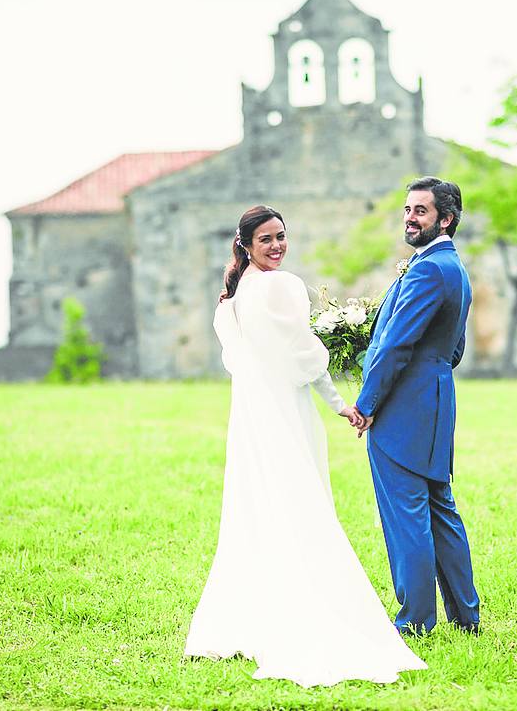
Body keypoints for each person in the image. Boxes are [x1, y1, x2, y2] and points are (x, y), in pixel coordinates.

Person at [184, 205, 427, 687]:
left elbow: (250, 359)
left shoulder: (234, 297)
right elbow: (305, 356)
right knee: (301, 504)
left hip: (253, 417)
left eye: (281, 236)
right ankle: (311, 610)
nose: (277, 246)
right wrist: (340, 403)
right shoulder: (282, 286)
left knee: (259, 507)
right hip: (285, 414)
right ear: (246, 246)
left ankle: (255, 615)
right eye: (266, 240)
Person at [351, 177, 482, 636]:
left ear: (445, 219)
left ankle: (415, 622)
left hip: (404, 407)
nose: (410, 217)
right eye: (407, 209)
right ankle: (467, 616)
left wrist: (367, 402)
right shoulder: (452, 267)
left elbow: (395, 344)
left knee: (406, 515)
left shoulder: (428, 269)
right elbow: (455, 345)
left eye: (420, 211)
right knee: (439, 511)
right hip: (435, 400)